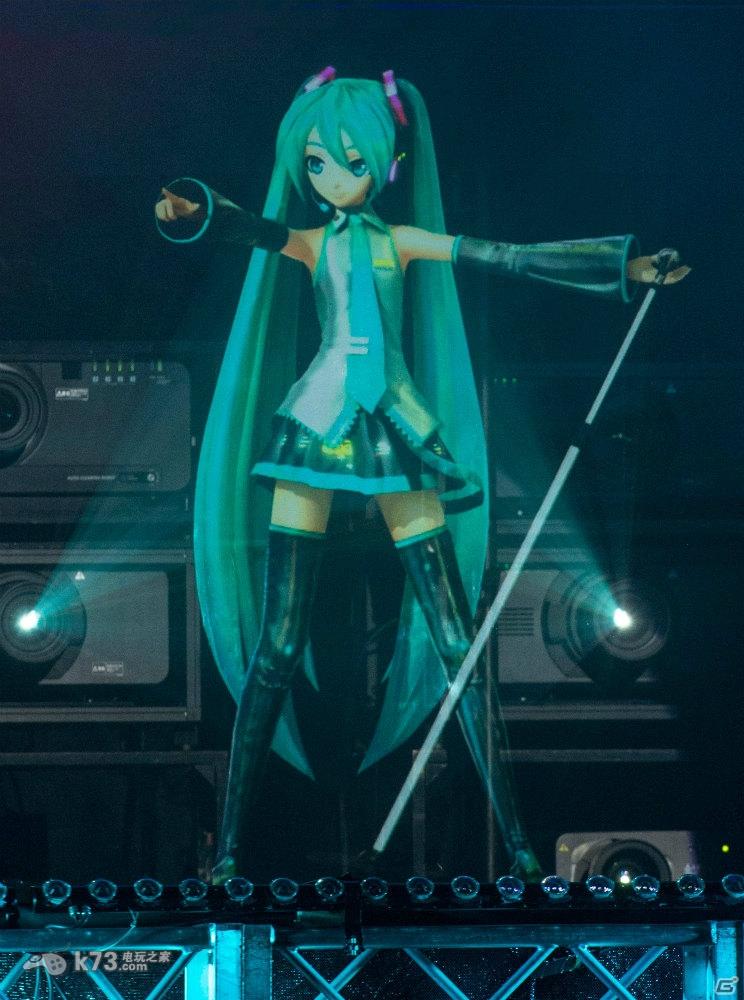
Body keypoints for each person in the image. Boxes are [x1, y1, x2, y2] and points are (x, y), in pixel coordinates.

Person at [155, 70, 689, 884]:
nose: (332, 176)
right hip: (317, 428)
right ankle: (227, 850)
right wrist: (194, 211)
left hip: (396, 431)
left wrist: (625, 267)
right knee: (279, 644)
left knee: (455, 640)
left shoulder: (399, 241)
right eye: (316, 161)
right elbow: (246, 229)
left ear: (386, 161)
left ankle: (517, 844)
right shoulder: (311, 243)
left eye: (349, 160)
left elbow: (507, 257)